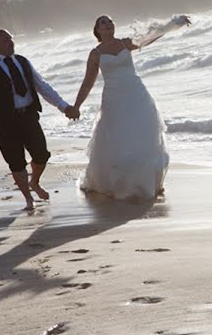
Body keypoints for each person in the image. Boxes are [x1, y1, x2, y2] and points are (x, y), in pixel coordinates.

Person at [72, 15, 186, 199]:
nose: (108, 24)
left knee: (144, 134)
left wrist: (173, 24)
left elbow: (149, 38)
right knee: (118, 139)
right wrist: (76, 106)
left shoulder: (125, 43)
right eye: (103, 23)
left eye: (110, 21)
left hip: (136, 94)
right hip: (113, 99)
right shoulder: (96, 53)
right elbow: (87, 83)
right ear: (98, 31)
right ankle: (118, 182)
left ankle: (149, 181)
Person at [0, 29, 78, 211]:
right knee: (16, 161)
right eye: (6, 40)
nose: (11, 43)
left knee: (41, 154)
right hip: (4, 122)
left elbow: (42, 87)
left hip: (28, 116)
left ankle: (34, 182)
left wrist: (63, 106)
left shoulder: (22, 61)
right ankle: (28, 199)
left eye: (11, 39)